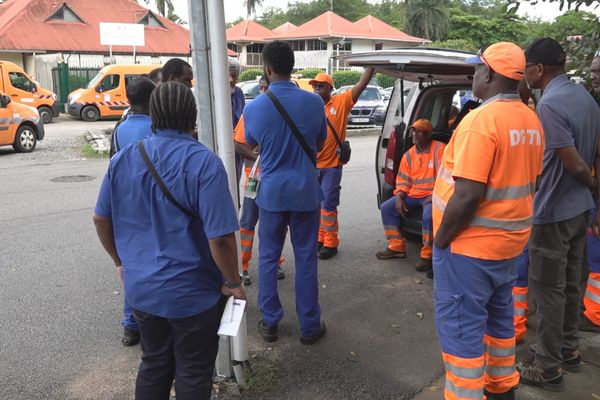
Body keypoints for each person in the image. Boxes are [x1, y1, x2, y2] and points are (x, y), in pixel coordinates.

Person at [93, 81, 245, 400]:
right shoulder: (205, 162)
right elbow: (220, 238)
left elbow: (101, 219)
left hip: (143, 292)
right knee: (192, 369)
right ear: (193, 117)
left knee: (154, 363)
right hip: (194, 295)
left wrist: (120, 262)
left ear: (153, 116)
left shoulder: (123, 160)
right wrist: (233, 281)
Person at [432, 42, 544, 400]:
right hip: (509, 245)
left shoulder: (480, 121)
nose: (474, 75)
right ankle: (501, 387)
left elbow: (467, 196)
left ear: (490, 74)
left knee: (462, 330)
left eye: (477, 69)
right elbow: (530, 181)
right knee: (499, 323)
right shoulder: (530, 118)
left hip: (470, 248)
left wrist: (440, 240)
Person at [517, 38, 600, 391]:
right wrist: (593, 194)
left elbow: (576, 164)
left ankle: (548, 366)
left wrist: (591, 182)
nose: (523, 75)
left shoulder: (550, 105)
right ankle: (567, 349)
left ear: (538, 69)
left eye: (526, 69)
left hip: (553, 212)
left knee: (547, 289)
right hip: (580, 209)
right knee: (570, 283)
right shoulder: (585, 98)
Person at [244, 41, 327, 345]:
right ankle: (309, 325)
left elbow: (252, 144)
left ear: (266, 69)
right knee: (306, 258)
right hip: (306, 191)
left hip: (272, 195)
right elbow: (318, 143)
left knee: (268, 258)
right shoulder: (315, 103)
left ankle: (270, 322)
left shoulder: (254, 108)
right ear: (293, 66)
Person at [107, 77, 156, 347]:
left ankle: (130, 325)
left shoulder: (120, 128)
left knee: (130, 262)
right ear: (153, 100)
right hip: (152, 202)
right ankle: (152, 320)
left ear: (128, 101)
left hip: (125, 202)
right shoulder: (156, 127)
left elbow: (112, 163)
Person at [310, 68, 374, 259]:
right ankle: (320, 239)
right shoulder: (311, 106)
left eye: (320, 87)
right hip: (313, 166)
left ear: (329, 88)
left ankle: (331, 243)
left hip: (331, 166)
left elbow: (360, 85)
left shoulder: (341, 101)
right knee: (316, 205)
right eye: (314, 86)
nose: (316, 90)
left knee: (328, 205)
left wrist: (369, 69)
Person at [375, 118, 444, 275]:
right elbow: (403, 180)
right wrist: (399, 196)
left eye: (418, 131)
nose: (413, 134)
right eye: (413, 130)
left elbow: (446, 178)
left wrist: (434, 195)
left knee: (429, 217)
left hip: (433, 196)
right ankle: (396, 247)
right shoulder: (409, 155)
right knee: (387, 208)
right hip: (413, 194)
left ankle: (428, 255)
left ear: (427, 135)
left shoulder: (440, 150)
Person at [234, 76, 286, 286]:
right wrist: (260, 157)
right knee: (247, 223)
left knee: (275, 225)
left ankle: (275, 263)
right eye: (261, 88)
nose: (263, 92)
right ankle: (243, 266)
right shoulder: (252, 112)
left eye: (267, 88)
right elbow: (238, 144)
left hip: (276, 182)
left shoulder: (281, 114)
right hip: (254, 183)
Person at [230, 58, 246, 186]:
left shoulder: (239, 93)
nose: (232, 80)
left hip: (238, 146)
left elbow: (242, 118)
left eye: (235, 76)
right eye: (229, 75)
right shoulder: (214, 93)